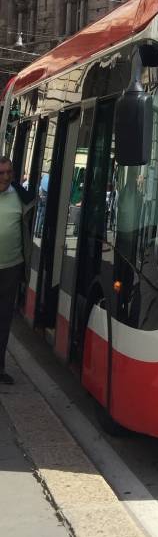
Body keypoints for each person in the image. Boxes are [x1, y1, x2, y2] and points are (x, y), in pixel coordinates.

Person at [0, 157, 34, 385]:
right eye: (1, 172)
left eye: (9, 172)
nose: (5, 176)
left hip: (11, 267)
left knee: (3, 320)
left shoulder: (21, 197)